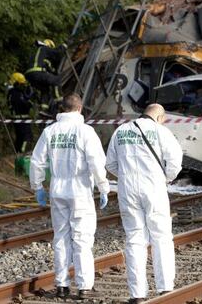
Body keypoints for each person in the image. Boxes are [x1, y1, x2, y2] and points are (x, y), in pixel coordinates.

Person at [29, 93, 110, 299]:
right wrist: (103, 187)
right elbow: (96, 162)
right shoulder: (85, 131)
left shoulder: (50, 131)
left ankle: (62, 285)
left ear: (62, 109)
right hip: (80, 191)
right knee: (82, 239)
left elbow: (37, 161)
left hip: (58, 191)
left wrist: (37, 186)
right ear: (80, 108)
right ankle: (84, 286)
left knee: (61, 238)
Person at [106, 104, 183, 304]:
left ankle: (137, 294)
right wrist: (165, 178)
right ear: (160, 116)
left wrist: (125, 176)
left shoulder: (121, 131)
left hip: (127, 189)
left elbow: (110, 164)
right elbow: (175, 161)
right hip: (154, 187)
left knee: (134, 238)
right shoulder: (161, 131)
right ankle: (165, 288)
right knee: (161, 237)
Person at [25, 39, 66, 118]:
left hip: (29, 75)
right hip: (37, 72)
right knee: (56, 80)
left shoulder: (36, 52)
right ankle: (60, 103)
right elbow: (57, 53)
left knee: (45, 90)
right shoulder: (44, 49)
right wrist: (63, 46)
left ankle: (43, 110)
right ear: (49, 46)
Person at [7, 72, 34, 153]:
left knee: (19, 137)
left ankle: (17, 152)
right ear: (15, 83)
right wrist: (29, 101)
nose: (22, 86)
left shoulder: (12, 93)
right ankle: (23, 152)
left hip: (18, 118)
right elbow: (23, 104)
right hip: (22, 118)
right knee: (26, 137)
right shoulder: (16, 93)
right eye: (21, 84)